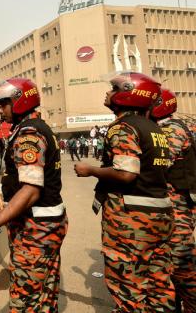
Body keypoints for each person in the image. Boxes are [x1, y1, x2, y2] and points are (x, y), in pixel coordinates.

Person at [74, 72, 175, 312]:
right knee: (158, 286)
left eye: (113, 89)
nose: (107, 93)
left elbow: (127, 173)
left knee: (128, 287)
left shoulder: (123, 127)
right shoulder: (154, 128)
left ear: (128, 94)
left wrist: (90, 170)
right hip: (160, 214)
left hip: (132, 219)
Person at [0, 78, 67, 312]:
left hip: (36, 230)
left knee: (26, 301)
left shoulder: (29, 134)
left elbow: (31, 191)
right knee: (45, 297)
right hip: (47, 225)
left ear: (19, 103)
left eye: (3, 105)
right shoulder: (35, 128)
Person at [149, 88, 196, 312]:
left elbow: (161, 164)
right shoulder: (170, 127)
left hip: (178, 206)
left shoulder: (171, 131)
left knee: (180, 263)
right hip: (175, 203)